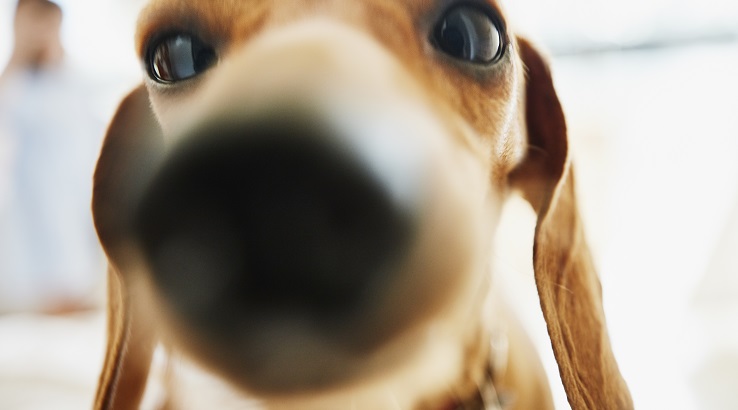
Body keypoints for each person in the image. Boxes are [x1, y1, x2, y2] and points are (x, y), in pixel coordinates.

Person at [0, 0, 104, 313]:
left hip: (71, 197)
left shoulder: (73, 81)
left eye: (46, 23)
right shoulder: (14, 81)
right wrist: (17, 57)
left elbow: (87, 135)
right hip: (27, 203)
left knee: (72, 279)